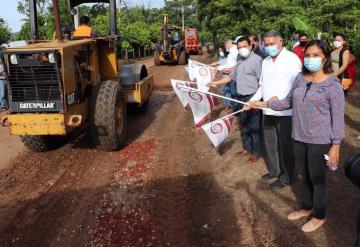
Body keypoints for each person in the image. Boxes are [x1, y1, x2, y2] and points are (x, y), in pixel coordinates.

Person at [251, 40, 345, 232]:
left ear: (325, 57)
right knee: (304, 176)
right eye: (308, 55)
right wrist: (264, 104)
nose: (311, 59)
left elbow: (337, 118)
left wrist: (336, 145)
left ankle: (319, 215)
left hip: (320, 141)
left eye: (316, 55)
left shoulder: (332, 85)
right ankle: (306, 207)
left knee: (317, 179)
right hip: (299, 136)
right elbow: (287, 102)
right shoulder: (301, 79)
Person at [248, 30, 302, 189]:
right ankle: (274, 170)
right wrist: (252, 101)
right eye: (267, 44)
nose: (269, 47)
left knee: (285, 145)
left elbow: (297, 85)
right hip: (268, 111)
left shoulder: (292, 59)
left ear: (281, 42)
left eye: (272, 44)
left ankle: (286, 176)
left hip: (286, 112)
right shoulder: (265, 62)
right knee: (270, 143)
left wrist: (281, 99)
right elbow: (262, 87)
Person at [208, 36, 263, 162]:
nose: (242, 49)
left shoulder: (257, 60)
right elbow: (231, 77)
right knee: (244, 124)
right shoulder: (239, 60)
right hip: (240, 97)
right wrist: (216, 82)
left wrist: (256, 100)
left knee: (254, 126)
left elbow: (262, 82)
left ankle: (256, 152)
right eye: (239, 47)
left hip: (253, 97)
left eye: (244, 46)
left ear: (250, 46)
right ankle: (247, 148)